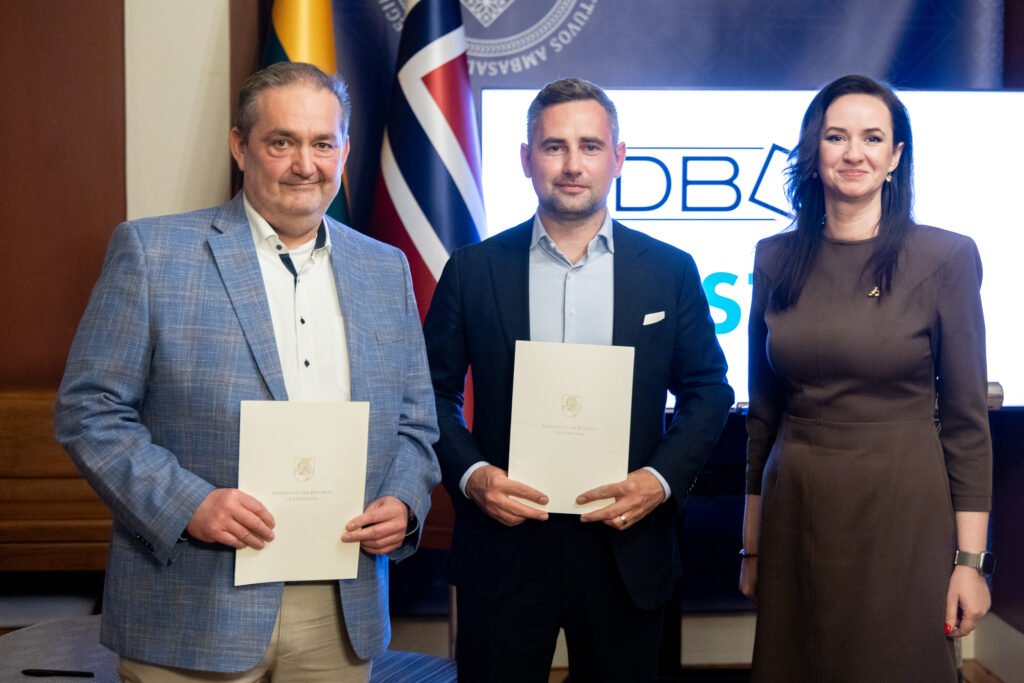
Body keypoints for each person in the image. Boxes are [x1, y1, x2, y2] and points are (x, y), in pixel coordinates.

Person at [54, 62, 440, 681]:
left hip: (339, 609)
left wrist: (403, 499)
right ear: (240, 146)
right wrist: (189, 504)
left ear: (345, 151)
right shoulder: (152, 253)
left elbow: (417, 422)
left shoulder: (385, 268)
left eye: (323, 143)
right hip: (192, 603)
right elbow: (88, 410)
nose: (305, 165)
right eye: (282, 142)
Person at [423, 77, 734, 682]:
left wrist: (659, 481)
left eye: (590, 146)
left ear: (618, 157)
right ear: (526, 158)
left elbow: (709, 389)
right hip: (504, 543)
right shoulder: (472, 270)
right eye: (554, 146)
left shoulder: (669, 270)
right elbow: (430, 393)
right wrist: (472, 475)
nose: (572, 165)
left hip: (626, 545)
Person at [740, 74, 993, 682]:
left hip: (903, 512)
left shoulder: (946, 258)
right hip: (794, 510)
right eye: (836, 136)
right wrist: (751, 547)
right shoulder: (773, 257)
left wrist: (970, 562)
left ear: (895, 156)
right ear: (814, 151)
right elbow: (763, 417)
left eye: (872, 138)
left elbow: (967, 423)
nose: (854, 153)